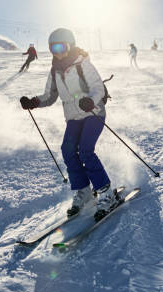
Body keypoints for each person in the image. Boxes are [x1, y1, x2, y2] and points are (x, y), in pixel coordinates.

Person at [20, 28, 116, 222]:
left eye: (61, 47)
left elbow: (97, 87)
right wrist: (34, 102)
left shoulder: (83, 63)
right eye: (53, 48)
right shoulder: (55, 70)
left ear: (70, 45)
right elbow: (49, 96)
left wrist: (91, 100)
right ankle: (83, 192)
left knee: (86, 151)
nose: (57, 52)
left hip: (93, 113)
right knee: (68, 150)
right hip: (73, 118)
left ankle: (107, 194)